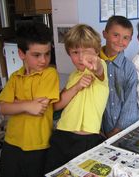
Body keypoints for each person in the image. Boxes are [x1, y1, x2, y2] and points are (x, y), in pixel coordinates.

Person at [0, 22, 60, 177]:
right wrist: (26, 105)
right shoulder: (15, 77)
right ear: (21, 53)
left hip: (38, 145)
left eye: (47, 54)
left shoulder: (49, 74)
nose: (43, 60)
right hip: (11, 143)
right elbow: (2, 108)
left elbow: (39, 107)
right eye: (36, 55)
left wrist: (16, 103)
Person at [45, 24, 109, 173]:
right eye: (75, 52)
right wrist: (76, 86)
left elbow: (99, 68)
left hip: (89, 139)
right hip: (62, 135)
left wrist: (96, 63)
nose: (81, 58)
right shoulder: (73, 76)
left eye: (86, 51)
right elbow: (57, 105)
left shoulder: (102, 67)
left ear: (97, 51)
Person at [100, 15, 139, 138]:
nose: (120, 41)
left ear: (130, 40)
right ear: (105, 34)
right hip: (97, 131)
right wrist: (98, 131)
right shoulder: (93, 63)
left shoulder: (129, 68)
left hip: (123, 131)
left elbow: (130, 103)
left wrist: (117, 131)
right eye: (115, 35)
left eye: (125, 38)